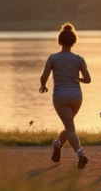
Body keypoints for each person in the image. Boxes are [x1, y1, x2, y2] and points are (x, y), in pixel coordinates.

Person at [39, 23, 91, 169]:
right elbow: (88, 79)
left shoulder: (53, 58)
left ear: (59, 41)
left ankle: (81, 155)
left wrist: (43, 86)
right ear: (74, 42)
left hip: (60, 96)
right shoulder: (79, 59)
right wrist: (76, 79)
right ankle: (58, 144)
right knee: (69, 126)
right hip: (76, 96)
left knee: (70, 128)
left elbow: (44, 77)